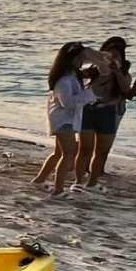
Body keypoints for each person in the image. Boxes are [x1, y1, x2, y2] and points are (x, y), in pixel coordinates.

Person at [76, 35, 136, 187]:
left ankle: (92, 183)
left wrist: (117, 71)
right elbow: (76, 75)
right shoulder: (94, 71)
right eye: (108, 55)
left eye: (116, 56)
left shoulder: (124, 75)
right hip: (89, 109)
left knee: (101, 151)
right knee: (84, 149)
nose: (112, 59)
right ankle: (78, 181)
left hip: (108, 112)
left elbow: (126, 89)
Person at [33, 42, 97, 196]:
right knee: (68, 153)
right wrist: (89, 93)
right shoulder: (64, 80)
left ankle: (39, 180)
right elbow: (67, 102)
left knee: (59, 152)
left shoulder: (72, 76)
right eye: (80, 58)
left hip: (65, 119)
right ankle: (58, 189)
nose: (82, 62)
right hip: (62, 119)